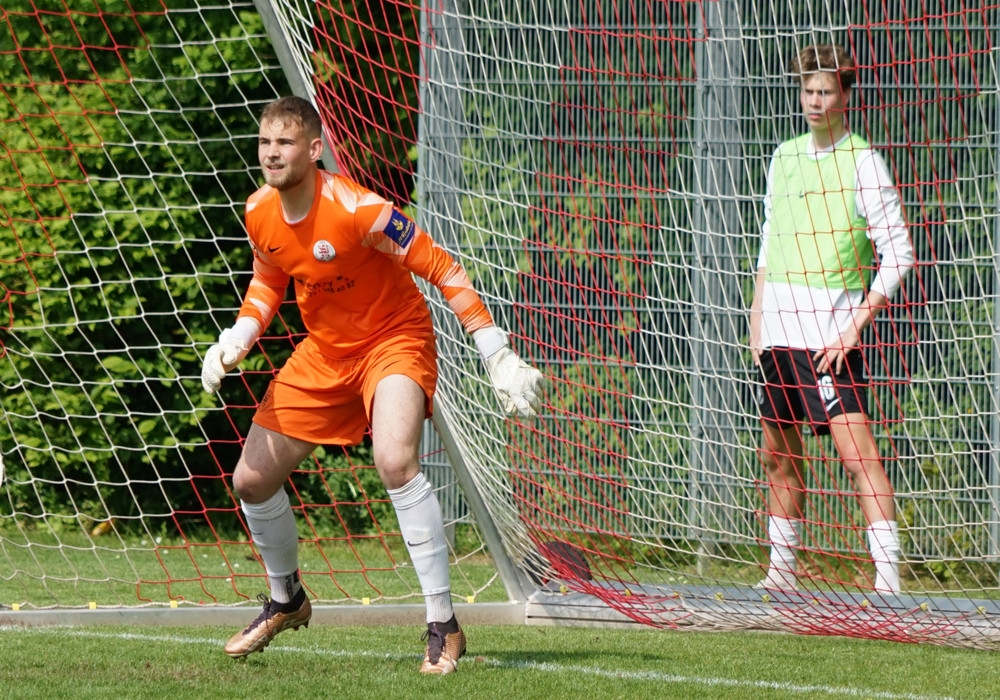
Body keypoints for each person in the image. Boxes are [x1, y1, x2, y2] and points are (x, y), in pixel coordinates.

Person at [201, 96, 546, 674]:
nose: (271, 153)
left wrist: (497, 353)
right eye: (265, 142)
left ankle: (443, 625)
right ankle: (286, 599)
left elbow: (443, 267)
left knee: (394, 461)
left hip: (394, 339)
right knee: (250, 481)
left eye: (285, 142)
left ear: (314, 149)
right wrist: (237, 337)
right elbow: (267, 284)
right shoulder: (258, 210)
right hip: (325, 351)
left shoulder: (360, 209)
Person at [749, 45, 915, 594]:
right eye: (808, 91)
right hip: (778, 333)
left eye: (825, 91)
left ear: (845, 95)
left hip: (829, 338)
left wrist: (853, 327)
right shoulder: (784, 156)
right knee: (776, 456)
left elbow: (899, 254)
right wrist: (757, 317)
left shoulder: (864, 162)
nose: (815, 101)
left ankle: (888, 582)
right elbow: (769, 240)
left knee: (856, 456)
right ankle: (781, 574)